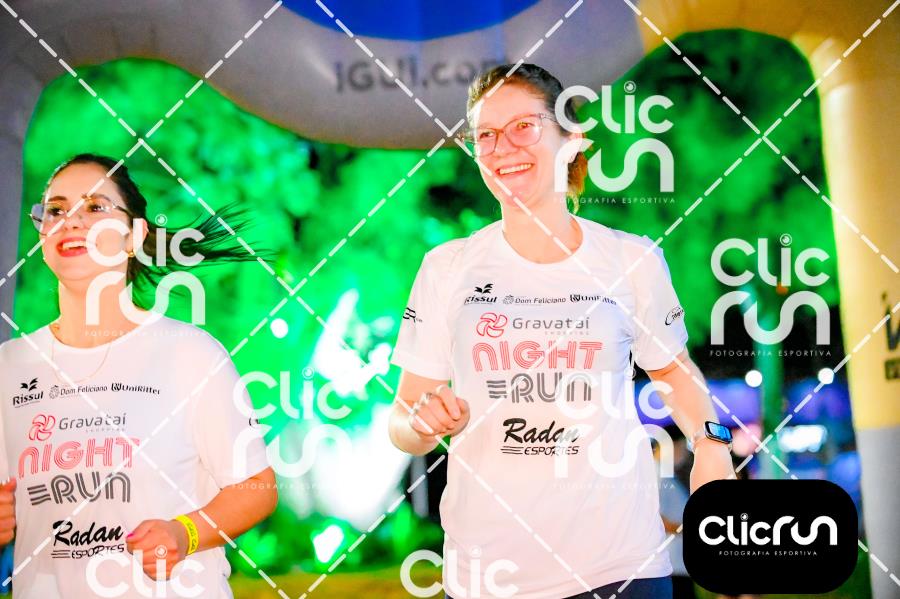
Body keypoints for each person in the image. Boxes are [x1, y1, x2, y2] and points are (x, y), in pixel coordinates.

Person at [388, 64, 735, 599]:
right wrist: (423, 422)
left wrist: (712, 448)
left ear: (571, 139)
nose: (502, 147)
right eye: (485, 135)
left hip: (620, 566)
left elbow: (672, 370)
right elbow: (404, 419)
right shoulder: (447, 268)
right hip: (488, 574)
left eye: (524, 127)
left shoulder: (630, 259)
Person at [0, 154, 277, 598]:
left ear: (135, 236)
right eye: (55, 210)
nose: (71, 221)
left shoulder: (189, 353)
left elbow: (256, 488)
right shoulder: (10, 367)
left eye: (95, 207)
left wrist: (184, 532)